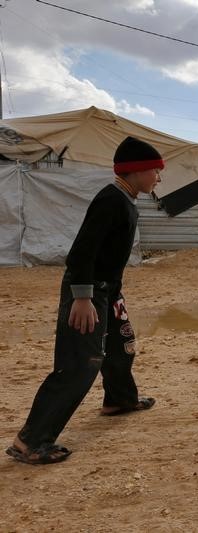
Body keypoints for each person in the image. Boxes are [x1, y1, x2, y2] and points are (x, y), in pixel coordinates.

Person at [6, 136, 162, 465]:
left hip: (107, 290)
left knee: (122, 344)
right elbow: (82, 252)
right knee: (80, 365)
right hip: (87, 292)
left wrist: (113, 294)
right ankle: (31, 441)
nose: (158, 177)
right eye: (154, 170)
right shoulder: (111, 200)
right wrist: (82, 298)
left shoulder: (125, 200)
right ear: (135, 171)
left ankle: (119, 400)